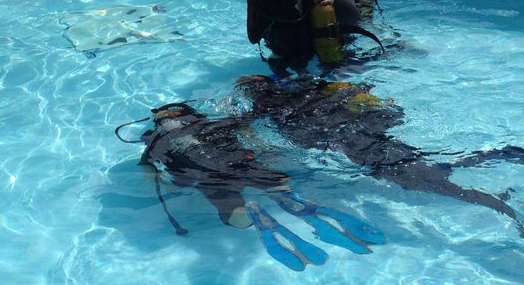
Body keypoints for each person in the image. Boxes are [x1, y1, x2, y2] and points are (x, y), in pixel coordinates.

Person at [237, 74, 524, 285]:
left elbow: (279, 153)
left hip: (389, 166)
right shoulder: (315, 97)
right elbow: (384, 109)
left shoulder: (278, 122)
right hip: (397, 148)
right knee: (495, 155)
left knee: (492, 204)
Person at [117, 102, 385, 271]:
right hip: (235, 160)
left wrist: (162, 182)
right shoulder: (205, 123)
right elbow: (245, 121)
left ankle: (248, 216)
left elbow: (148, 167)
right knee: (273, 178)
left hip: (203, 176)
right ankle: (286, 195)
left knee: (228, 206)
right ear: (184, 114)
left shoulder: (154, 140)